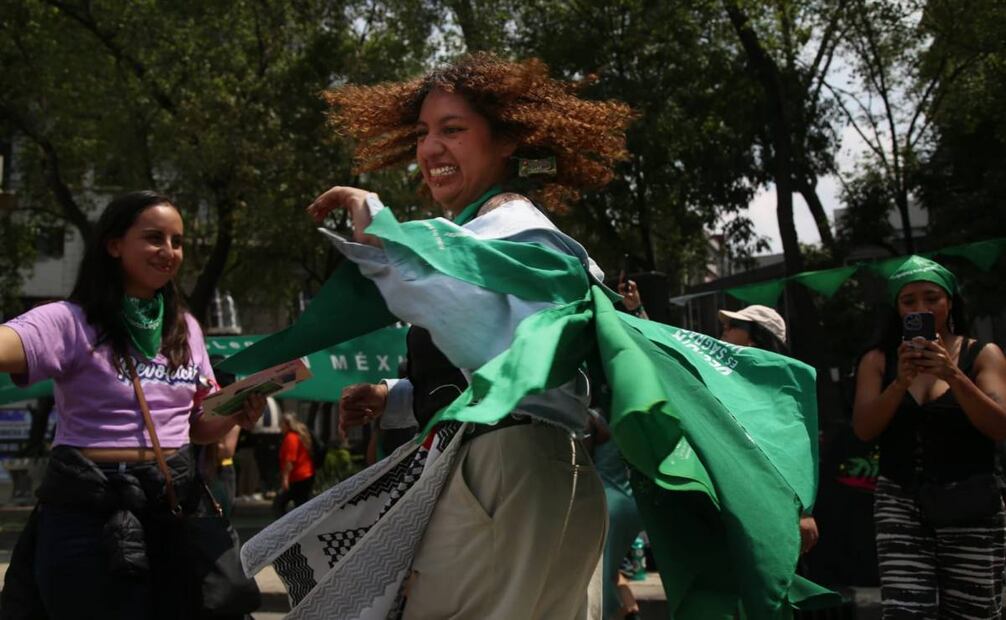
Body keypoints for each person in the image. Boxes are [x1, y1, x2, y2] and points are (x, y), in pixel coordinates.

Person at [0, 190, 264, 619]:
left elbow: (196, 424)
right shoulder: (69, 321)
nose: (169, 251)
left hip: (173, 502)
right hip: (89, 505)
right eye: (154, 238)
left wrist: (234, 412)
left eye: (177, 242)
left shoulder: (186, 327)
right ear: (114, 244)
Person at [852, 255, 1006, 618]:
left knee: (974, 611)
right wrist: (900, 383)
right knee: (907, 611)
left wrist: (954, 375)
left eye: (932, 298)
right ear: (897, 309)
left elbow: (1000, 427)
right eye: (909, 301)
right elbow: (864, 429)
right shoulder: (878, 360)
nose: (921, 307)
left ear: (950, 302)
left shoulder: (982, 354)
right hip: (900, 500)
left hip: (970, 499)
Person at [718, 304, 820, 556]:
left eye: (732, 326)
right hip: (731, 500)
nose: (723, 332)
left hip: (774, 506)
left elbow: (795, 449)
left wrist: (803, 510)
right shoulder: (720, 378)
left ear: (755, 336)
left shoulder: (787, 386)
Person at [273, 412, 315, 515]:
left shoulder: (291, 438)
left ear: (287, 424)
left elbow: (289, 461)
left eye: (281, 424)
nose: (280, 426)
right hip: (306, 475)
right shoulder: (298, 436)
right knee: (300, 504)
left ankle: (286, 526)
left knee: (280, 503)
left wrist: (285, 479)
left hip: (299, 476)